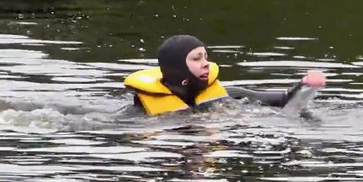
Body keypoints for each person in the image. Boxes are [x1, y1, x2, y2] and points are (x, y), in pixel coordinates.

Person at [123, 34, 327, 116]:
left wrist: (305, 86)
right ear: (177, 68)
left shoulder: (228, 96)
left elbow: (284, 99)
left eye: (206, 57)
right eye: (196, 59)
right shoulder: (140, 112)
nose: (206, 65)